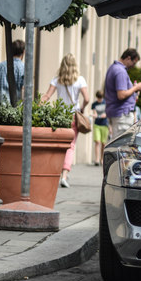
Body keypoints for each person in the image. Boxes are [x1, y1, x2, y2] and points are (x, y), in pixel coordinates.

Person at [41, 53, 89, 188]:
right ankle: (64, 175)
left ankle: (53, 172)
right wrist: (82, 108)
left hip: (59, 116)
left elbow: (47, 96)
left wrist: (37, 106)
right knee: (71, 146)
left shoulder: (57, 80)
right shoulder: (80, 80)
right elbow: (87, 98)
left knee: (58, 144)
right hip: (73, 116)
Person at [104, 48, 141, 140]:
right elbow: (121, 95)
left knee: (118, 144)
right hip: (122, 116)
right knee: (122, 146)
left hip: (118, 114)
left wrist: (132, 89)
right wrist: (136, 88)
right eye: (134, 63)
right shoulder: (120, 72)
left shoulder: (113, 68)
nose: (133, 66)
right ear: (128, 58)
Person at [0, 39, 25, 104]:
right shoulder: (24, 68)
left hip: (2, 106)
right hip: (17, 108)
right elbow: (23, 89)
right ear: (23, 52)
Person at [91, 90, 108, 166]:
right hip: (97, 124)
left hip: (105, 124)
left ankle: (102, 159)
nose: (99, 100)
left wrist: (100, 115)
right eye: (98, 98)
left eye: (100, 98)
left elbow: (107, 113)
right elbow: (94, 113)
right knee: (97, 142)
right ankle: (97, 159)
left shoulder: (106, 103)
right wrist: (94, 115)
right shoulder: (94, 104)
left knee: (104, 143)